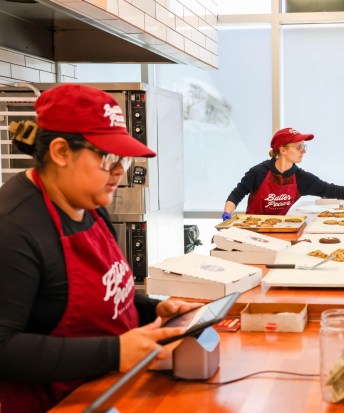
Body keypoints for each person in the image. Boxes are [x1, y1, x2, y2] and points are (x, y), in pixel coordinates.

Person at [0, 84, 200, 412]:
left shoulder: (88, 203)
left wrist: (153, 310)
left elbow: (104, 289)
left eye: (122, 157)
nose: (120, 170)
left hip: (112, 390)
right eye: (108, 157)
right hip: (60, 403)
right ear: (61, 152)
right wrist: (115, 352)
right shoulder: (14, 227)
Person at [222, 127, 344, 219]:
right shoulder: (258, 172)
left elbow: (332, 190)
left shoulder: (301, 178)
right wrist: (228, 213)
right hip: (253, 230)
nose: (304, 151)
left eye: (304, 146)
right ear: (282, 149)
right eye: (299, 147)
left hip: (283, 230)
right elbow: (236, 194)